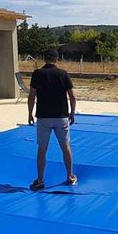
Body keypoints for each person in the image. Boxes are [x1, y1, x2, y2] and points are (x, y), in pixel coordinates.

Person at [27, 49, 78, 191]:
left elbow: (31, 96)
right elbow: (73, 97)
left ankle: (40, 180)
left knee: (42, 149)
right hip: (61, 117)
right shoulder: (63, 74)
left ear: (44, 59)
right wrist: (72, 113)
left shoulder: (37, 74)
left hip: (43, 117)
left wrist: (29, 114)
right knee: (66, 147)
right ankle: (70, 176)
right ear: (56, 59)